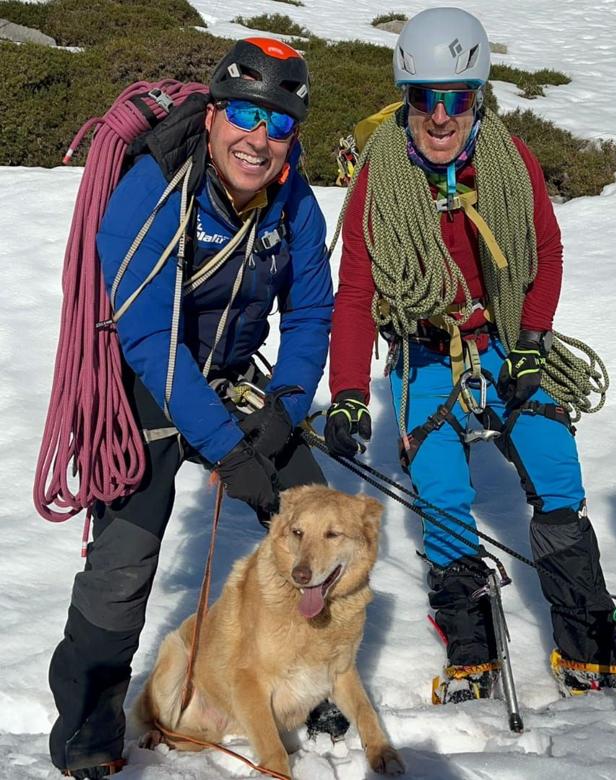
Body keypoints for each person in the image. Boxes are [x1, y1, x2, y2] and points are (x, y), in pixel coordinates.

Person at [48, 37, 334, 778]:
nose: (258, 138)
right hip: (144, 383)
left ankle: (306, 681)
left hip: (235, 379)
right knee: (122, 564)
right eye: (243, 113)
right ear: (211, 116)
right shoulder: (152, 188)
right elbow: (144, 331)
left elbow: (310, 314)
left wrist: (286, 405)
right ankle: (88, 727)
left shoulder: (294, 199)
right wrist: (230, 449)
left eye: (277, 124)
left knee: (317, 520)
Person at [325, 7, 616, 705]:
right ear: (407, 97)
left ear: (478, 96)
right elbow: (356, 292)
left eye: (456, 98)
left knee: (556, 472)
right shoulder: (382, 176)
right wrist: (347, 392)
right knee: (443, 490)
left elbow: (545, 253)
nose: (439, 115)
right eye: (424, 97)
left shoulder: (510, 162)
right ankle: (471, 644)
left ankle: (587, 639)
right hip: (426, 352)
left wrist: (532, 342)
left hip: (507, 341)